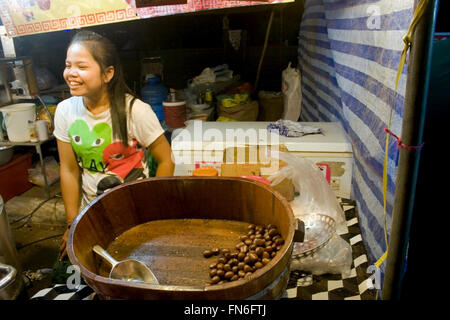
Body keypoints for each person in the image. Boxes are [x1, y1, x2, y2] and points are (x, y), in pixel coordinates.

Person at [53, 30, 174, 262]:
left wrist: (155, 208)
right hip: (92, 214)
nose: (71, 73)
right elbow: (69, 169)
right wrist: (73, 224)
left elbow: (166, 159)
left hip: (135, 213)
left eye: (82, 66)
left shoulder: (136, 111)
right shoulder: (65, 111)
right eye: (68, 65)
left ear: (108, 73)